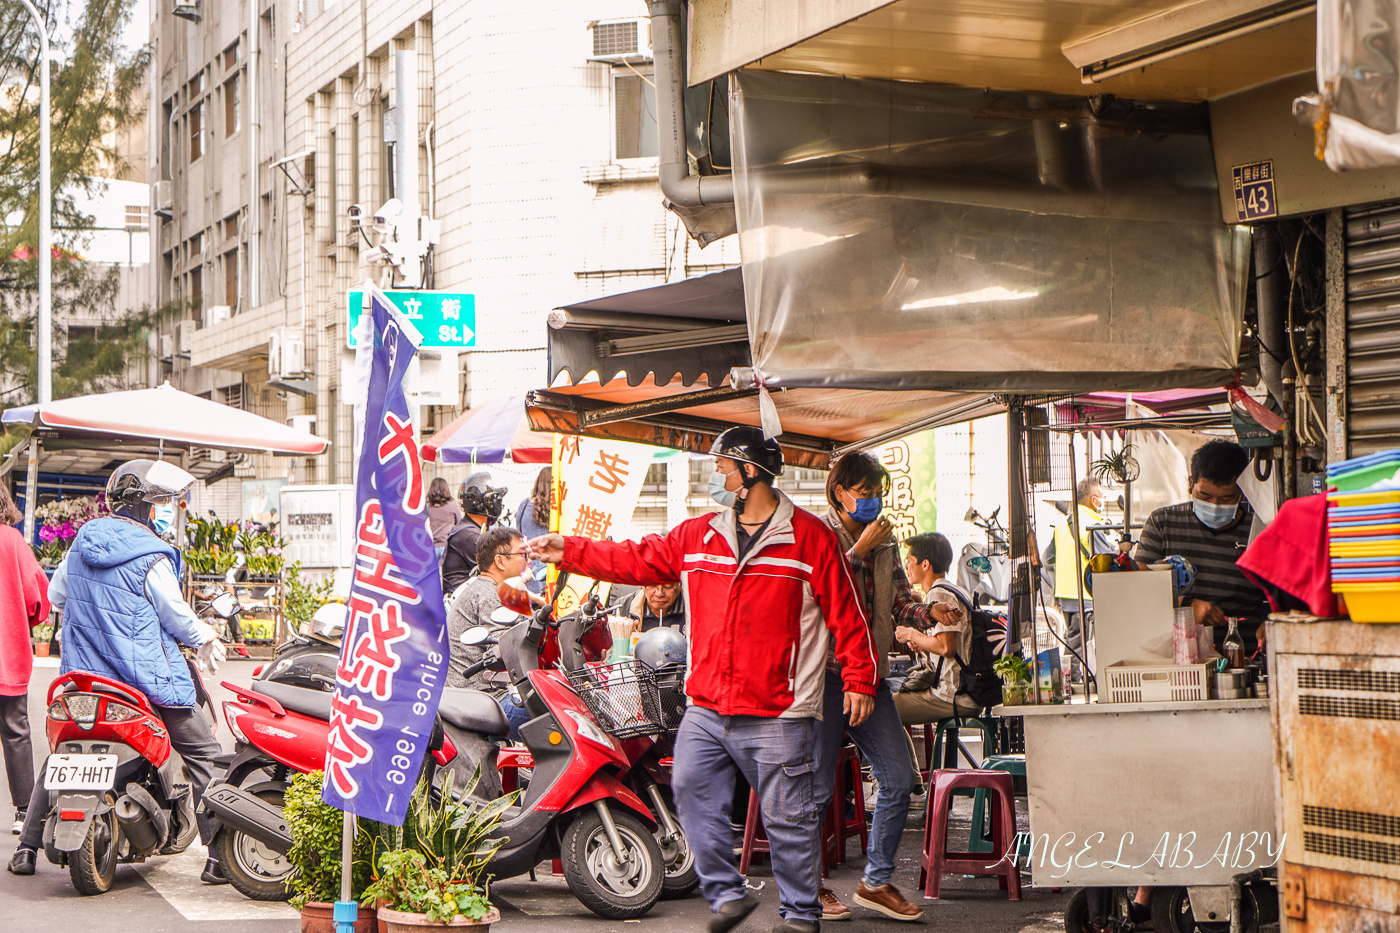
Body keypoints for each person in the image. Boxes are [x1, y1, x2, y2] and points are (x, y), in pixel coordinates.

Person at [528, 426, 877, 933]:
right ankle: (726, 893)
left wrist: (861, 678)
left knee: (789, 820)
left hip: (780, 710)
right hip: (708, 705)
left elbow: (848, 614)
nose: (716, 474)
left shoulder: (810, 540)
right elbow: (637, 558)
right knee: (689, 787)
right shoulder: (698, 535)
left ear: (749, 473)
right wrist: (571, 549)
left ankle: (801, 915)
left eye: (723, 467)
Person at [8, 460, 228, 882]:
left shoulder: (81, 543)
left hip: (84, 681)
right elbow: (176, 616)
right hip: (142, 682)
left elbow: (57, 596)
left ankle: (26, 847)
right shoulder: (152, 555)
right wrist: (206, 638)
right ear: (145, 508)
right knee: (205, 754)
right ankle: (217, 855)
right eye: (161, 502)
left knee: (63, 752)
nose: (164, 510)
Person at [814, 450, 952, 922]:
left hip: (870, 676)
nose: (872, 502)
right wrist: (856, 555)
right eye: (864, 493)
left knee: (898, 778)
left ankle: (875, 881)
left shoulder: (888, 543)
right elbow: (814, 600)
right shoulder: (816, 536)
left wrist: (929, 614)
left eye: (878, 493)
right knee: (814, 790)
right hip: (824, 678)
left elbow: (899, 605)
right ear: (840, 493)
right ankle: (809, 887)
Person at [1134, 439, 1268, 654]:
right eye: (1204, 496)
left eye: (1226, 498)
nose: (1215, 505)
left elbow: (1284, 593)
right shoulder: (1163, 522)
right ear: (1190, 483)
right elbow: (1137, 587)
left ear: (1243, 492)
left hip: (1241, 656)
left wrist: (1272, 624)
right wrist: (1186, 606)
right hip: (1175, 654)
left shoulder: (1259, 530)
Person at [446, 526, 532, 739]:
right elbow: (505, 649)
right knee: (554, 719)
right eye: (523, 555)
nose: (528, 561)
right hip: (481, 699)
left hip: (481, 695)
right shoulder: (488, 593)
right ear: (500, 561)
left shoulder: (488, 588)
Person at [0, 483, 50, 837]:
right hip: (6, 653)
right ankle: (23, 812)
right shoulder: (11, 541)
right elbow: (37, 598)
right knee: (15, 731)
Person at [893, 532, 983, 724]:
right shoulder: (955, 589)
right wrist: (922, 644)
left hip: (952, 695)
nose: (906, 566)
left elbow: (946, 648)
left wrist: (911, 633)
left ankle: (904, 756)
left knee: (880, 711)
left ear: (925, 565)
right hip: (967, 691)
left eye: (909, 560)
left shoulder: (939, 595)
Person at [1051, 479, 1113, 683]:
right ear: (1094, 501)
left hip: (1066, 593)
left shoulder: (1062, 524)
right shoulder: (1093, 524)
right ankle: (1075, 684)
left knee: (1075, 640)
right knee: (1078, 644)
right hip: (1085, 594)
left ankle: (1075, 680)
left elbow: (1048, 558)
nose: (1103, 500)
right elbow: (1106, 558)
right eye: (1102, 496)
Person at [440, 472, 506, 596]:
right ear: (485, 503)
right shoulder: (468, 535)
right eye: (495, 499)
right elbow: (500, 569)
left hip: (470, 599)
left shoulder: (472, 529)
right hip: (463, 607)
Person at [514, 467, 551, 595]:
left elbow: (517, 532)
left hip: (527, 567)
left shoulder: (525, 504)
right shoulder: (555, 510)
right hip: (548, 567)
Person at [426, 477, 463, 562]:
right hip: (448, 547)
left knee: (433, 574)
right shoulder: (452, 505)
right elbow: (459, 525)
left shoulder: (426, 507)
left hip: (430, 548)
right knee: (446, 574)